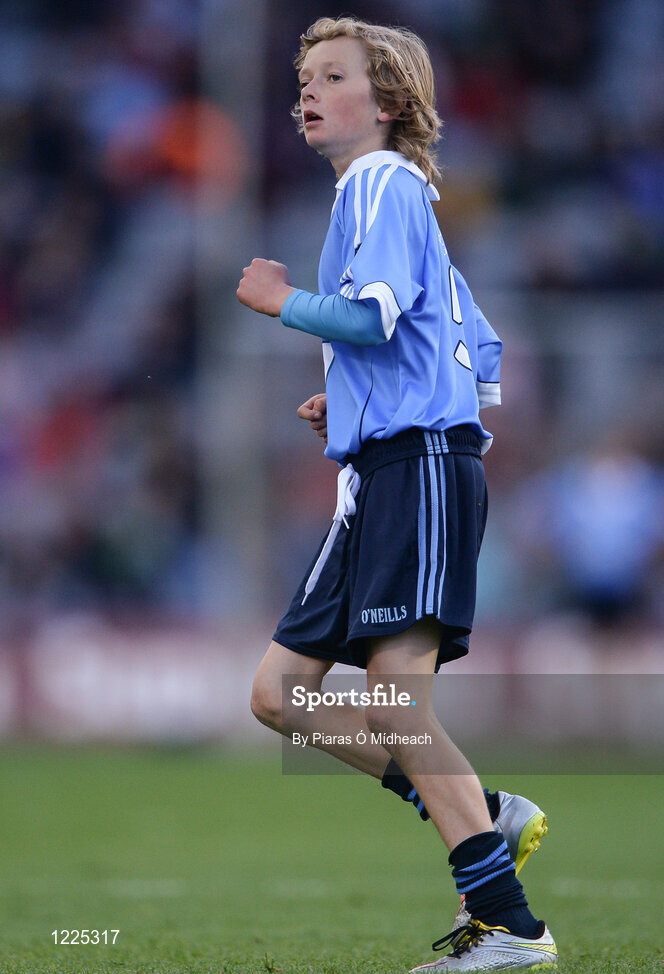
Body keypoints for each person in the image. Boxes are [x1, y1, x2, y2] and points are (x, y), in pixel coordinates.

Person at [237, 15, 557, 972]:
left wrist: (279, 302)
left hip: (414, 468)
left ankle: (509, 926)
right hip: (394, 465)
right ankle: (478, 812)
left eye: (330, 75)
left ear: (385, 104)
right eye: (302, 76)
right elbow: (479, 354)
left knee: (393, 700)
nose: (307, 90)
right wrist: (355, 395)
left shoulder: (379, 181)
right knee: (280, 695)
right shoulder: (394, 198)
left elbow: (373, 316)